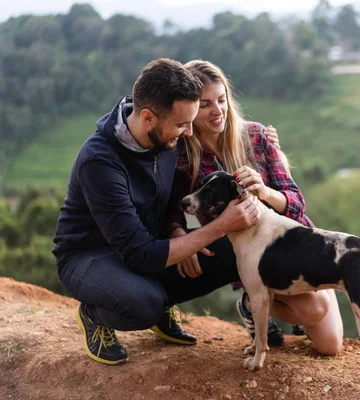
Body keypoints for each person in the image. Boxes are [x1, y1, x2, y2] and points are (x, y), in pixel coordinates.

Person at [52, 58, 261, 365]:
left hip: (145, 245)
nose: (190, 132)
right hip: (89, 256)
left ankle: (154, 297)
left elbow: (216, 132)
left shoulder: (165, 137)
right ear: (148, 117)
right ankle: (95, 314)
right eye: (182, 124)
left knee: (234, 251)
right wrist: (214, 229)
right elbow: (139, 254)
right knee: (144, 304)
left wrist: (265, 136)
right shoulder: (99, 162)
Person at [166, 60, 344, 356]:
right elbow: (168, 206)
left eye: (222, 100)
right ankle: (253, 304)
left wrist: (264, 191)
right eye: (206, 104)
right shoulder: (183, 158)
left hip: (298, 243)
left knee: (330, 346)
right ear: (191, 107)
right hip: (253, 256)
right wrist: (177, 232)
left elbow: (296, 204)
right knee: (315, 308)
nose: (217, 110)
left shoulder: (257, 136)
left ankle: (263, 305)